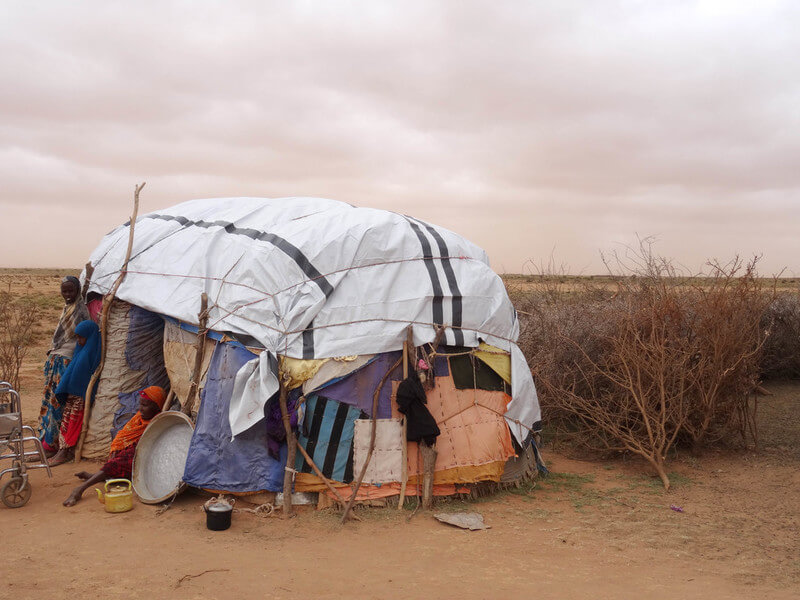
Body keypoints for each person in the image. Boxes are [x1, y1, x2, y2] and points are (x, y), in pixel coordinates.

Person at [63, 386, 166, 507]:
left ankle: (79, 490)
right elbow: (123, 435)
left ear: (156, 407)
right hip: (132, 454)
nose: (141, 409)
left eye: (145, 405)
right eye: (141, 404)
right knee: (117, 458)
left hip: (143, 460)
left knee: (116, 464)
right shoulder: (139, 418)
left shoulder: (158, 423)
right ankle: (99, 476)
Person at [38, 276, 91, 455]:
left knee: (57, 401)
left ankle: (53, 443)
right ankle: (46, 440)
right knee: (49, 400)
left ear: (77, 291)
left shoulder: (80, 310)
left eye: (71, 291)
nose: (67, 294)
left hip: (66, 360)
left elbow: (84, 335)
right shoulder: (69, 307)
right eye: (64, 291)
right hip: (56, 357)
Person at [47, 320, 102, 466]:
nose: (78, 340)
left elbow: (89, 375)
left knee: (74, 422)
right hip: (72, 392)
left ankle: (66, 451)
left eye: (80, 337)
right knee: (66, 420)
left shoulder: (93, 350)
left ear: (89, 336)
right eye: (77, 337)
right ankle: (62, 449)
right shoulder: (80, 349)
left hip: (81, 395)